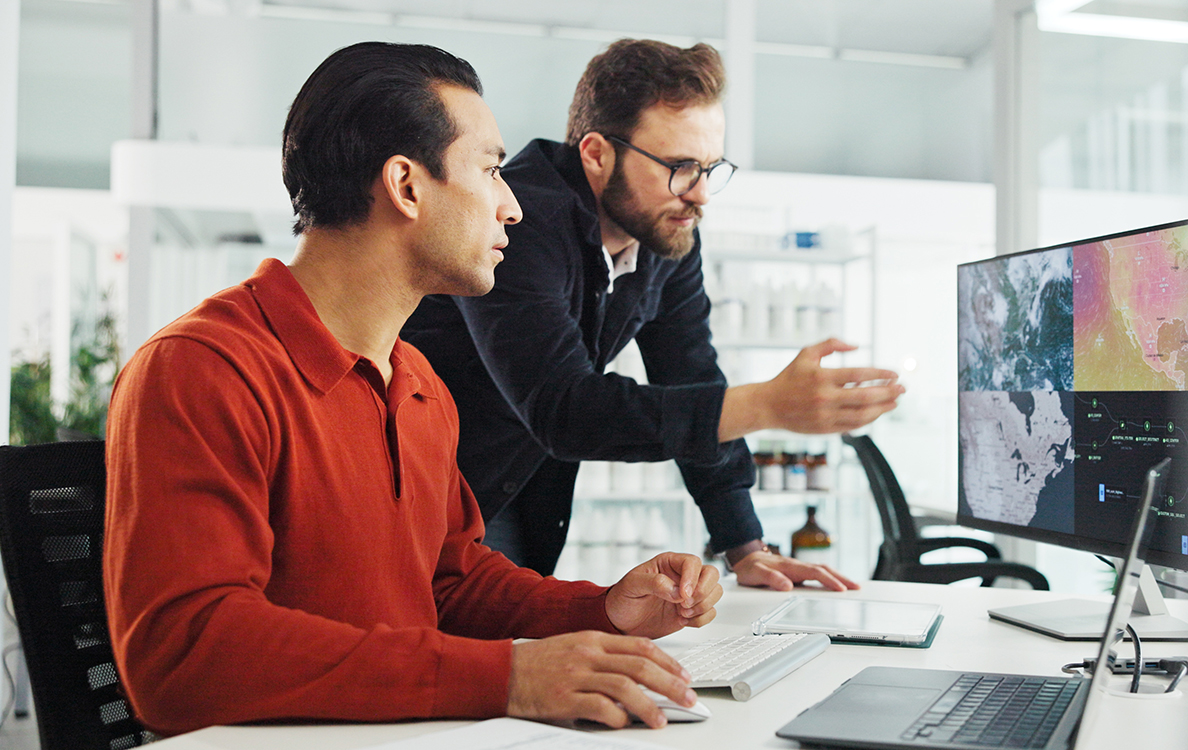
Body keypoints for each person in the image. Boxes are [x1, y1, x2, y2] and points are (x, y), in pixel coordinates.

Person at [103, 41, 722, 738]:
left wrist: (602, 611)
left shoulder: (419, 384)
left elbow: (450, 582)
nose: (512, 207)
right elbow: (185, 659)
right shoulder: (201, 370)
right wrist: (506, 678)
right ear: (406, 186)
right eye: (490, 170)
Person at [403, 39, 904, 587]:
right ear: (596, 153)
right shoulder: (521, 222)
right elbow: (564, 409)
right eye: (682, 167)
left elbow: (690, 374)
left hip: (523, 485)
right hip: (428, 487)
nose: (702, 195)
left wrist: (746, 547)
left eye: (711, 168)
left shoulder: (665, 235)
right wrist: (765, 404)